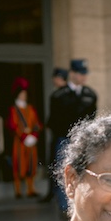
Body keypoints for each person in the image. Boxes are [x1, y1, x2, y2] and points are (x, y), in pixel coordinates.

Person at [51, 59, 99, 217]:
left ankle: (83, 205)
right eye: (79, 73)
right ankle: (65, 208)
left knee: (85, 172)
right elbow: (54, 120)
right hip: (64, 138)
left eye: (84, 74)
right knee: (64, 171)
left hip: (83, 140)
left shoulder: (90, 95)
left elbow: (91, 119)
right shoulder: (59, 95)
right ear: (72, 73)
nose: (83, 77)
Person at [7, 77, 42, 199]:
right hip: (20, 142)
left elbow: (37, 124)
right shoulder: (13, 110)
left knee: (31, 164)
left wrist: (34, 136)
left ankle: (30, 189)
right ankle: (17, 190)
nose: (24, 96)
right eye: (22, 94)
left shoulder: (31, 109)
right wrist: (23, 136)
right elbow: (12, 125)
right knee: (19, 164)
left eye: (25, 94)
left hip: (31, 141)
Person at [39, 67, 69, 203]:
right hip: (68, 135)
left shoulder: (58, 96)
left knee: (58, 166)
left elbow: (54, 119)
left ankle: (58, 197)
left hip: (61, 136)